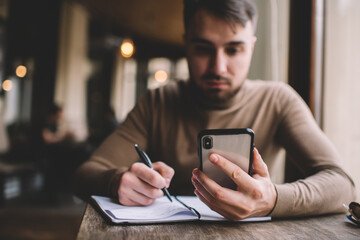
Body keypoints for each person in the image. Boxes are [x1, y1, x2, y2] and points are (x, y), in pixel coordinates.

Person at [73, 0, 356, 219]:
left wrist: (273, 199)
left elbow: (343, 184)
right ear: (186, 45)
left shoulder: (278, 100)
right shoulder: (157, 102)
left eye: (233, 50)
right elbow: (85, 174)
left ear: (251, 48)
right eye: (203, 49)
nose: (218, 67)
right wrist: (118, 180)